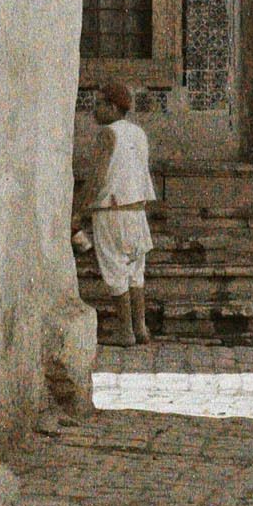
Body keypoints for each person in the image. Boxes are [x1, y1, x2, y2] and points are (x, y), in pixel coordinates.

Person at [76, 79, 157, 347]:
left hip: (113, 212)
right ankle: (140, 328)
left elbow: (98, 178)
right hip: (137, 212)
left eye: (99, 104)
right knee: (135, 273)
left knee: (115, 272)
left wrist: (78, 210)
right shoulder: (138, 133)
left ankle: (125, 332)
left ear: (112, 107)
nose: (94, 111)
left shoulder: (108, 134)